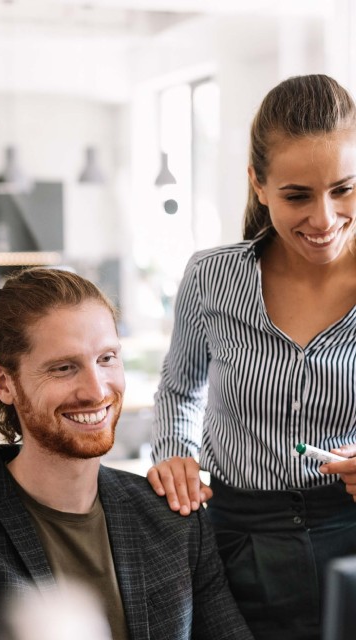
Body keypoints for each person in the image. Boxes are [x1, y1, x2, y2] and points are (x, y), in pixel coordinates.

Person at [147, 73, 356, 640]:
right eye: (296, 195)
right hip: (238, 541)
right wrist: (174, 454)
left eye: (344, 189)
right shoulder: (212, 277)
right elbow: (177, 389)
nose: (324, 219)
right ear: (258, 185)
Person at [0, 267, 253, 640]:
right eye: (63, 368)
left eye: (106, 359)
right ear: (4, 382)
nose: (96, 390)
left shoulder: (175, 520)